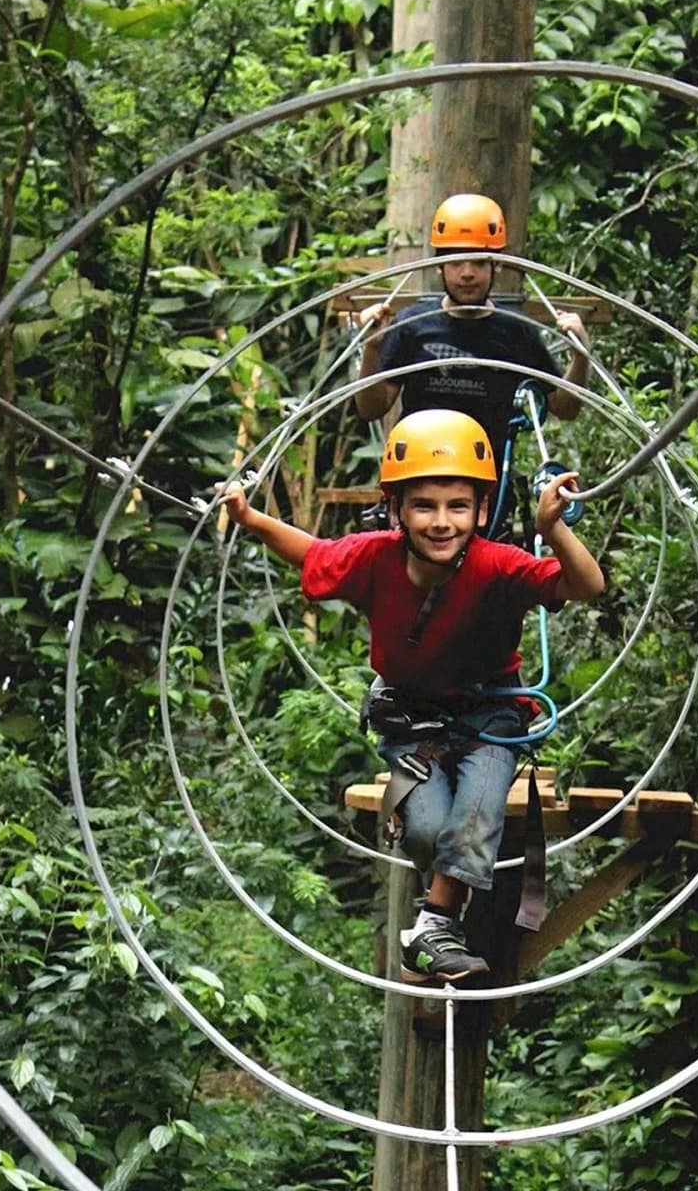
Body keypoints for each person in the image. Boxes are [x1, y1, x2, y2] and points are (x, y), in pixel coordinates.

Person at [218, 409, 604, 984]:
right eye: (424, 506)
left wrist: (554, 531)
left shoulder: (498, 566)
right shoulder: (375, 557)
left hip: (490, 715)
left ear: (480, 509)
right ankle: (441, 919)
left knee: (474, 812)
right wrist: (250, 520)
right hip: (412, 723)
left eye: (458, 506)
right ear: (396, 510)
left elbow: (586, 585)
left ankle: (432, 926)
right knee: (427, 832)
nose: (442, 522)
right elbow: (312, 552)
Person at [355, 193, 592, 488]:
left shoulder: (516, 330)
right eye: (456, 262)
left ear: (497, 266)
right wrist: (372, 348)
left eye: (478, 263)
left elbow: (564, 407)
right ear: (439, 266)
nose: (467, 274)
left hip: (487, 481)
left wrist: (581, 357)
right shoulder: (412, 325)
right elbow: (371, 408)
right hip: (417, 476)